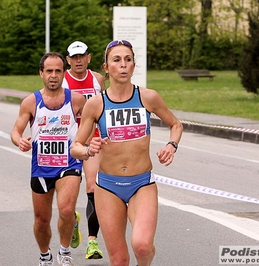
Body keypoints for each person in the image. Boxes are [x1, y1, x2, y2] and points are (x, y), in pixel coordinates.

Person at [70, 40, 183, 266]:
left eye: (128, 60)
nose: (123, 65)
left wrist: (172, 145)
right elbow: (75, 147)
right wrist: (88, 150)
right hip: (108, 187)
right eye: (116, 60)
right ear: (106, 67)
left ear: (133, 65)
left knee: (142, 246)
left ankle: (146, 258)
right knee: (119, 260)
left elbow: (176, 124)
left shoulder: (147, 97)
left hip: (142, 184)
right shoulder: (95, 104)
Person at [11, 52, 86, 266]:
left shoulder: (76, 100)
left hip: (69, 165)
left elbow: (91, 125)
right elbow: (15, 131)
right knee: (41, 221)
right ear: (41, 73)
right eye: (49, 71)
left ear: (64, 73)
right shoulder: (31, 102)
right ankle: (45, 255)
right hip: (41, 168)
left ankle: (64, 253)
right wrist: (20, 141)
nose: (53, 75)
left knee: (66, 209)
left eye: (58, 71)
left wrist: (84, 144)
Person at [62, 41, 106, 260]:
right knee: (66, 203)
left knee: (92, 187)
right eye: (74, 57)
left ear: (88, 58)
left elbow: (107, 105)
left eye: (82, 56)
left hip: (92, 140)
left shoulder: (97, 80)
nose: (78, 61)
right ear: (68, 60)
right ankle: (73, 219)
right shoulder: (61, 80)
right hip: (69, 143)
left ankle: (92, 242)